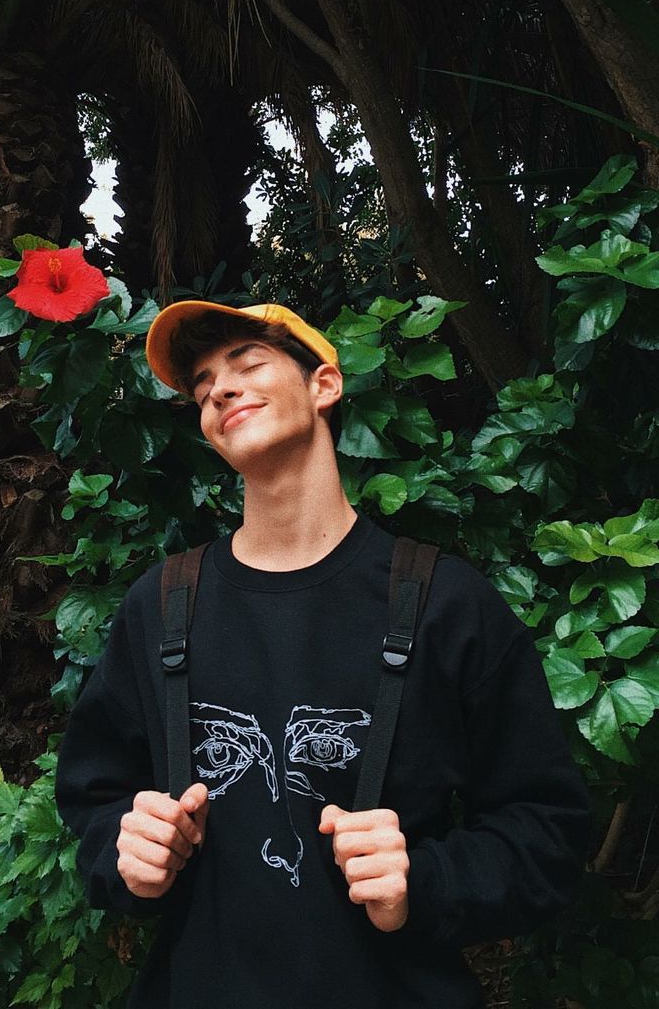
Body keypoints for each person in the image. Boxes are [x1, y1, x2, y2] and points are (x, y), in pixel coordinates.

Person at [55, 300, 591, 1009]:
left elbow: (547, 828)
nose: (220, 388)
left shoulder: (445, 603)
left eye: (247, 363)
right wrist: (125, 851)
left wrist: (423, 879)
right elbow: (93, 803)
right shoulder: (160, 606)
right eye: (204, 383)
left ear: (324, 386)